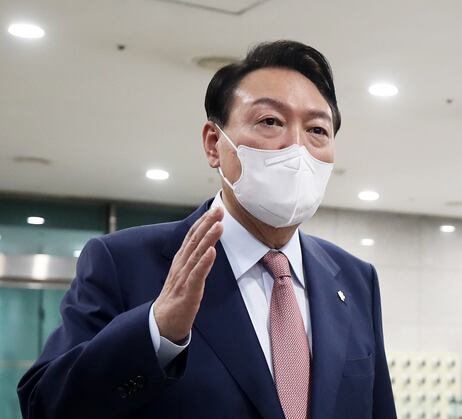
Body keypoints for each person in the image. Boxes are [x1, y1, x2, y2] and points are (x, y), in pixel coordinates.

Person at [17, 40, 396, 419]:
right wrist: (156, 333)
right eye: (270, 122)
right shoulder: (125, 262)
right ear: (215, 144)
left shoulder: (356, 280)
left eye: (317, 129)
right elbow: (45, 406)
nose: (296, 147)